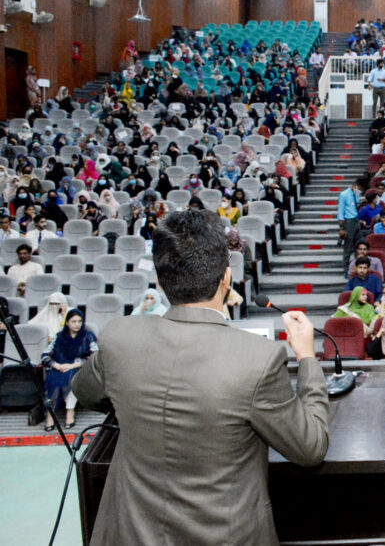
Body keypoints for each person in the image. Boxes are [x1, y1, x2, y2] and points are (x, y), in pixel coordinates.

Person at [72, 210, 329, 544]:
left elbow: (85, 391)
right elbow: (310, 447)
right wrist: (307, 357)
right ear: (226, 278)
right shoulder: (259, 358)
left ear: (160, 281)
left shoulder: (118, 337)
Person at [41, 308, 96, 431]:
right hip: (59, 368)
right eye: (73, 321)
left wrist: (72, 365)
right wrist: (57, 365)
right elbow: (45, 355)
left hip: (78, 368)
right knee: (53, 380)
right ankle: (50, 414)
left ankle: (70, 412)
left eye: (79, 321)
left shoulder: (88, 336)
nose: (77, 324)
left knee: (71, 379)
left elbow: (95, 356)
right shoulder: (59, 337)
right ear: (67, 323)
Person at [337, 177, 367, 269]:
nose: (360, 191)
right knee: (348, 246)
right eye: (359, 189)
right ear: (355, 186)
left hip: (356, 220)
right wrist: (342, 227)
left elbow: (356, 205)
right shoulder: (344, 194)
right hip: (348, 221)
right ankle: (346, 267)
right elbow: (340, 211)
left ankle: (356, 265)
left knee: (358, 244)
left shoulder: (356, 194)